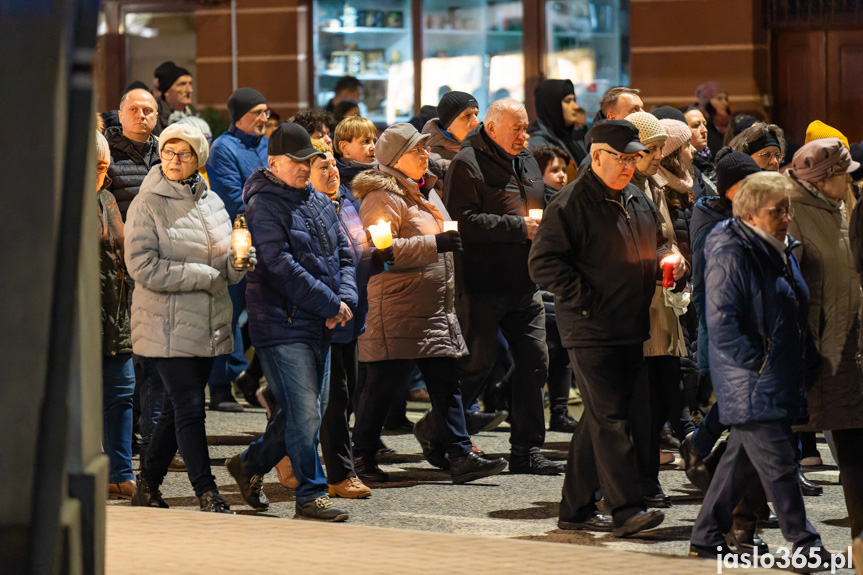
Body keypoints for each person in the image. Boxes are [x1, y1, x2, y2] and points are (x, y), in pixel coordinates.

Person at [529, 120, 682, 537]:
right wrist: (588, 299)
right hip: (590, 328)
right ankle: (625, 510)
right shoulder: (570, 204)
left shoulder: (636, 198)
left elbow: (657, 242)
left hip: (630, 324)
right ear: (597, 156)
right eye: (622, 158)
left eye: (634, 158)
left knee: (600, 418)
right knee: (614, 419)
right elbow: (543, 263)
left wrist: (669, 262)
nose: (630, 165)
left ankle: (575, 510)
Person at [349, 123, 507, 485]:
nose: (426, 156)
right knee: (383, 385)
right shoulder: (382, 196)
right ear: (395, 159)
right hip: (398, 307)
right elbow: (381, 252)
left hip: (432, 307)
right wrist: (437, 246)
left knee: (445, 380)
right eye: (417, 151)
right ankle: (361, 456)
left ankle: (459, 454)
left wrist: (447, 243)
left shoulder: (424, 191)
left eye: (424, 149)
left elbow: (440, 232)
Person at [688, 172, 830, 565]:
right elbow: (724, 324)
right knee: (781, 464)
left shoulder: (777, 245)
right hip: (752, 379)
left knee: (740, 462)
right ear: (749, 215)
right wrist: (760, 369)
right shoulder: (731, 251)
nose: (786, 217)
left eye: (788, 209)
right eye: (776, 211)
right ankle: (806, 545)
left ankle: (704, 536)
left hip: (776, 373)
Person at [224, 122, 356, 521]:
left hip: (318, 321)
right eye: (297, 162)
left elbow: (344, 255)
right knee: (306, 413)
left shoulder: (316, 199)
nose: (305, 168)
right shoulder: (262, 205)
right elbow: (280, 266)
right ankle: (310, 495)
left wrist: (345, 299)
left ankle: (249, 463)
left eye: (309, 161)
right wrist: (331, 303)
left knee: (307, 410)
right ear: (274, 163)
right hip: (282, 325)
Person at [126, 123, 253, 512]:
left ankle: (147, 485)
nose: (174, 160)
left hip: (206, 322)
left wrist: (238, 262)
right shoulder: (147, 203)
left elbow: (222, 260)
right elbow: (142, 265)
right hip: (165, 324)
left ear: (199, 158)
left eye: (184, 154)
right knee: (190, 408)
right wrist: (202, 275)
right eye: (168, 152)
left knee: (177, 410)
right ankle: (206, 490)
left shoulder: (211, 201)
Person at [443, 98, 561, 475]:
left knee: (535, 362)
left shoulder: (524, 157)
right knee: (478, 364)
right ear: (492, 129)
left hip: (524, 280)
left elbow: (540, 198)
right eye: (517, 129)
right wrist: (517, 228)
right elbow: (462, 222)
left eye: (526, 128)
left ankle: (526, 450)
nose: (524, 136)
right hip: (483, 282)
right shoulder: (466, 163)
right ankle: (438, 431)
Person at [789, 138, 863, 540]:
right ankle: (734, 517)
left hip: (846, 343)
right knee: (772, 442)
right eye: (844, 175)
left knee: (852, 435)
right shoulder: (792, 213)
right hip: (815, 347)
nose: (851, 183)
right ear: (823, 178)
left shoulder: (835, 208)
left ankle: (860, 536)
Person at [623, 112, 690, 507]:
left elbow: (665, 236)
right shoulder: (623, 186)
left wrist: (675, 256)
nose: (657, 155)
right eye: (650, 148)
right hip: (638, 308)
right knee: (642, 404)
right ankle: (639, 482)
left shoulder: (653, 185)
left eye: (659, 148)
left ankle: (644, 479)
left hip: (661, 303)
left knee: (666, 395)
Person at [307, 139, 373, 499]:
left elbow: (354, 253)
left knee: (345, 397)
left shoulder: (346, 202)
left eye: (333, 165)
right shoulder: (311, 209)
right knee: (334, 400)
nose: (333, 172)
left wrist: (381, 256)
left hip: (353, 314)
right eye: (323, 168)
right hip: (328, 317)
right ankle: (339, 474)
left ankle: (288, 456)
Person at [205, 87, 270, 411]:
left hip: (269, 241)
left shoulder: (267, 146)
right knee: (227, 314)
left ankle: (250, 377)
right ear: (239, 116)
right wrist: (272, 208)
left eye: (265, 112)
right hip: (237, 241)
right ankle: (219, 387)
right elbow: (234, 197)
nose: (263, 118)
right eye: (257, 112)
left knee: (263, 312)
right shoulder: (223, 148)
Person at [97, 127, 136, 499]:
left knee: (122, 393)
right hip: (87, 315)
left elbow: (124, 244)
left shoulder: (108, 197)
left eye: (105, 166)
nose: (100, 173)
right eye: (94, 165)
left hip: (116, 308)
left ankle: (121, 471)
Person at [105, 88, 161, 220]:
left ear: (156, 117)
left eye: (147, 110)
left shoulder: (168, 154)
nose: (140, 115)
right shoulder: (106, 156)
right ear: (120, 116)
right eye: (133, 109)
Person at [527, 79, 587, 178]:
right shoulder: (537, 145)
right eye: (568, 101)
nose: (575, 107)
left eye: (574, 100)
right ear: (552, 105)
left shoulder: (572, 138)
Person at [422, 91, 480, 169]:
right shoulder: (431, 158)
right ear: (448, 126)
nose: (476, 122)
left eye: (476, 114)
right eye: (466, 116)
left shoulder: (481, 147)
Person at [333, 115, 377, 190]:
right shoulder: (335, 184)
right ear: (344, 147)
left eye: (374, 141)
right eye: (366, 141)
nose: (374, 147)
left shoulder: (384, 175)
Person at [152, 61, 195, 136]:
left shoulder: (193, 113)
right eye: (182, 84)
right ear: (167, 91)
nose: (189, 90)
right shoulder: (152, 116)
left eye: (190, 83)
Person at [694, 81, 731, 160]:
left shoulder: (728, 122)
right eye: (719, 98)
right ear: (706, 101)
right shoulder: (700, 124)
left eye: (725, 99)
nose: (725, 103)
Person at [682, 105, 717, 187]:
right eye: (696, 126)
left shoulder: (712, 163)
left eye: (704, 124)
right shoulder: (684, 169)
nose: (704, 130)